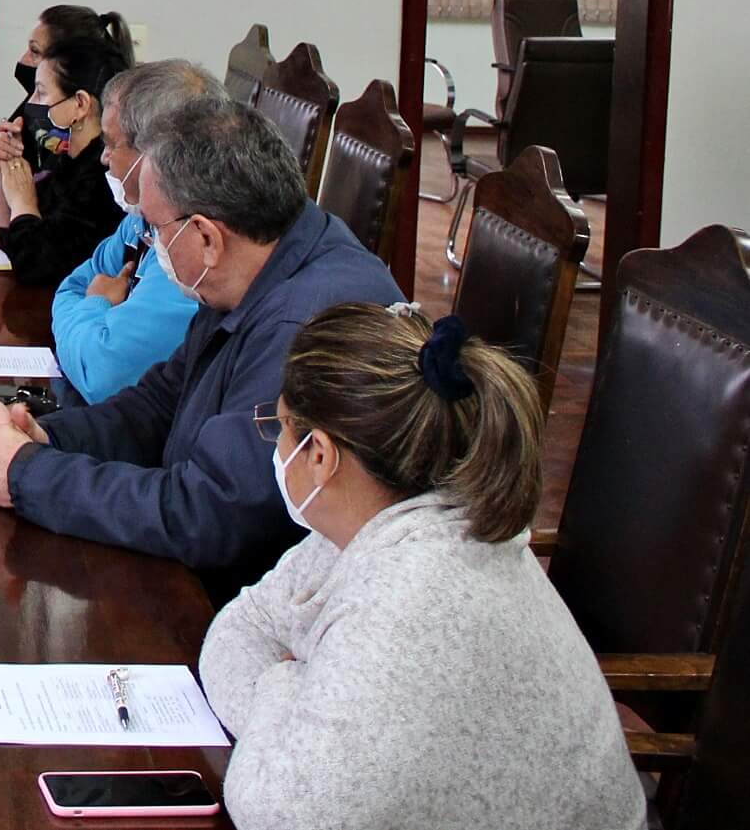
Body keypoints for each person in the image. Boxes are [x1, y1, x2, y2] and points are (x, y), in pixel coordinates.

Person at [201, 304, 645, 830]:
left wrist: (284, 685)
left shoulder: (415, 595)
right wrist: (297, 703)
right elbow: (239, 627)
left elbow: (277, 809)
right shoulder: (378, 521)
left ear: (319, 452)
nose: (276, 445)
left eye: (279, 428)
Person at [0, 97, 403, 599]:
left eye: (157, 228)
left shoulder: (303, 327)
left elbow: (210, 515)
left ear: (206, 236)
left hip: (254, 606)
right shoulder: (255, 259)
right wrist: (42, 437)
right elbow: (161, 402)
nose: (150, 246)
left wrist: (24, 473)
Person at [51, 60, 223, 404]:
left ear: (155, 154)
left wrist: (94, 305)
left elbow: (100, 376)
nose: (103, 158)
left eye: (111, 144)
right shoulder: (140, 218)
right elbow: (70, 287)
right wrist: (94, 315)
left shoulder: (187, 243)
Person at [0, 35, 131, 286]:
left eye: (41, 93)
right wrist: (5, 172)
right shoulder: (70, 163)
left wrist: (23, 201)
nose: (31, 103)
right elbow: (13, 237)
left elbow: (35, 267)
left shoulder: (102, 181)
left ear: (80, 104)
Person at [0, 5, 135, 203]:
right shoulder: (42, 114)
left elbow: (29, 199)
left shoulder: (94, 160)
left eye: (35, 51)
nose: (23, 60)